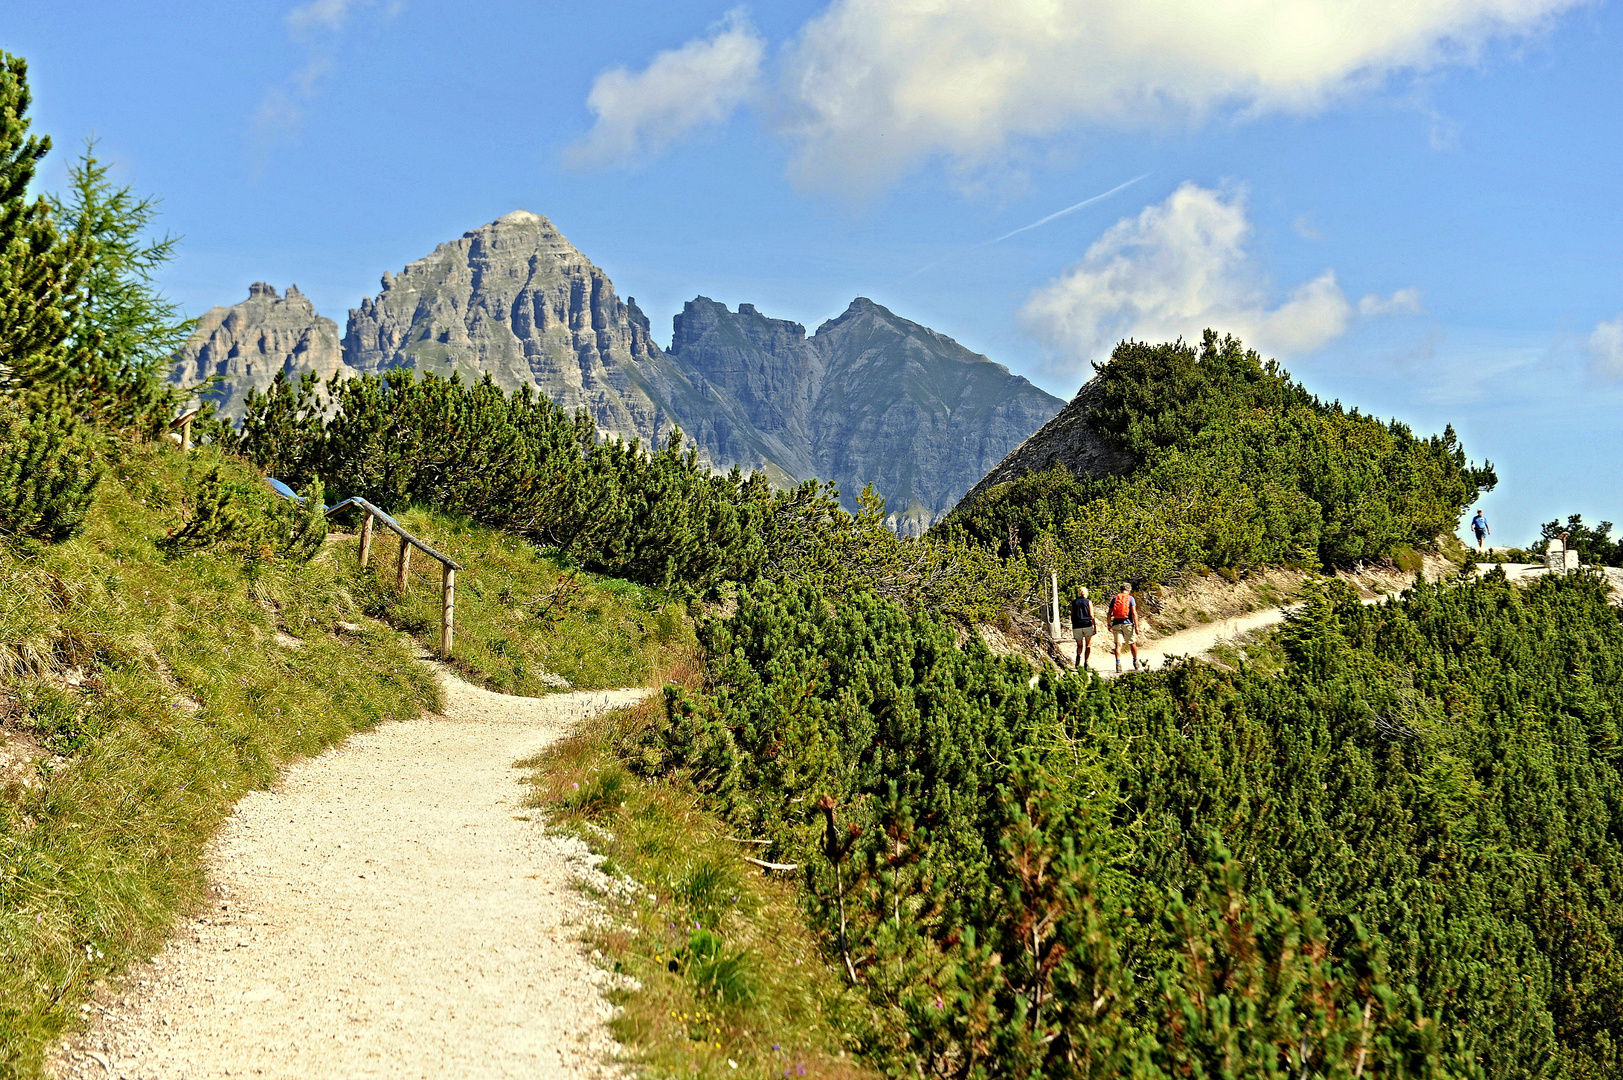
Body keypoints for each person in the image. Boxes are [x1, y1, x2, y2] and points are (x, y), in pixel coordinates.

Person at [1108, 582, 1140, 673]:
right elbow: (1134, 613)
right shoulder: (1130, 598)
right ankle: (1135, 661)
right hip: (1128, 624)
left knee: (1118, 645)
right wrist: (1137, 626)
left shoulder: (1115, 598)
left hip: (1116, 624)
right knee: (1132, 643)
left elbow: (1109, 613)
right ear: (1129, 590)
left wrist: (1109, 624)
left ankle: (1118, 664)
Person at [1069, 586, 1095, 669]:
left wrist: (1073, 624)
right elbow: (1091, 615)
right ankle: (1086, 663)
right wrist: (1094, 625)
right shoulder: (1088, 602)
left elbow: (1072, 615)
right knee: (1088, 645)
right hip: (1087, 624)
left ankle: (1077, 660)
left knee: (1079, 645)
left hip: (1077, 625)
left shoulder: (1074, 602)